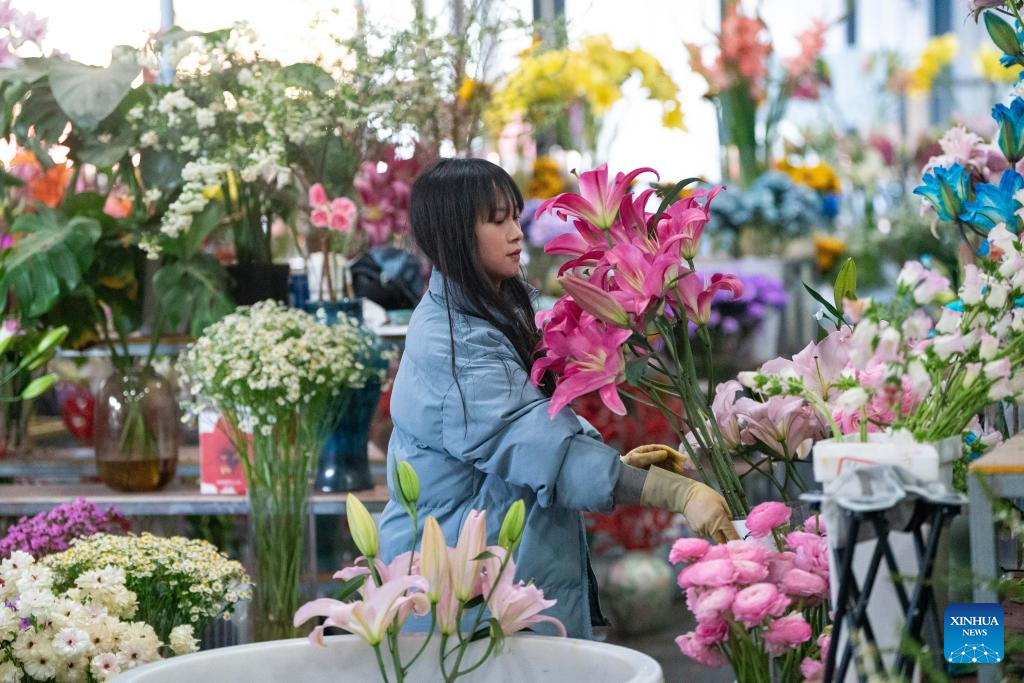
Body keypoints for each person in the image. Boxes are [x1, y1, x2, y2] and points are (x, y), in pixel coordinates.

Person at [378, 158, 738, 639]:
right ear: (454, 233)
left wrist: (617, 469)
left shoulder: (489, 308)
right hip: (458, 591)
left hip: (485, 570)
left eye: (514, 216)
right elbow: (538, 448)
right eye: (497, 220)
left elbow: (525, 443)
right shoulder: (453, 343)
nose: (516, 232)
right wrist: (675, 493)